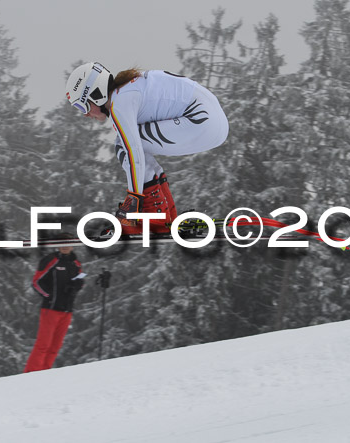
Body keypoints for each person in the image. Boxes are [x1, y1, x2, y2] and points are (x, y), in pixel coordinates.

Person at [65, 62, 229, 234]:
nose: (84, 114)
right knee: (130, 145)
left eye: (81, 106)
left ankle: (155, 215)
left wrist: (133, 200)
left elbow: (133, 151)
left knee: (123, 145)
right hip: (211, 121)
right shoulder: (127, 90)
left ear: (95, 94)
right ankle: (166, 215)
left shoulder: (120, 102)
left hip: (201, 120)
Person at [23, 234, 85, 373]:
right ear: (57, 245)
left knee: (55, 346)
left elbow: (80, 278)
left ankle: (45, 373)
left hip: (67, 310)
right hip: (51, 309)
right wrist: (50, 296)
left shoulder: (76, 263)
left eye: (68, 244)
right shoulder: (51, 260)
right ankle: (30, 374)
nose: (65, 247)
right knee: (43, 344)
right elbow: (36, 282)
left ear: (73, 245)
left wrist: (76, 285)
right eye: (62, 244)